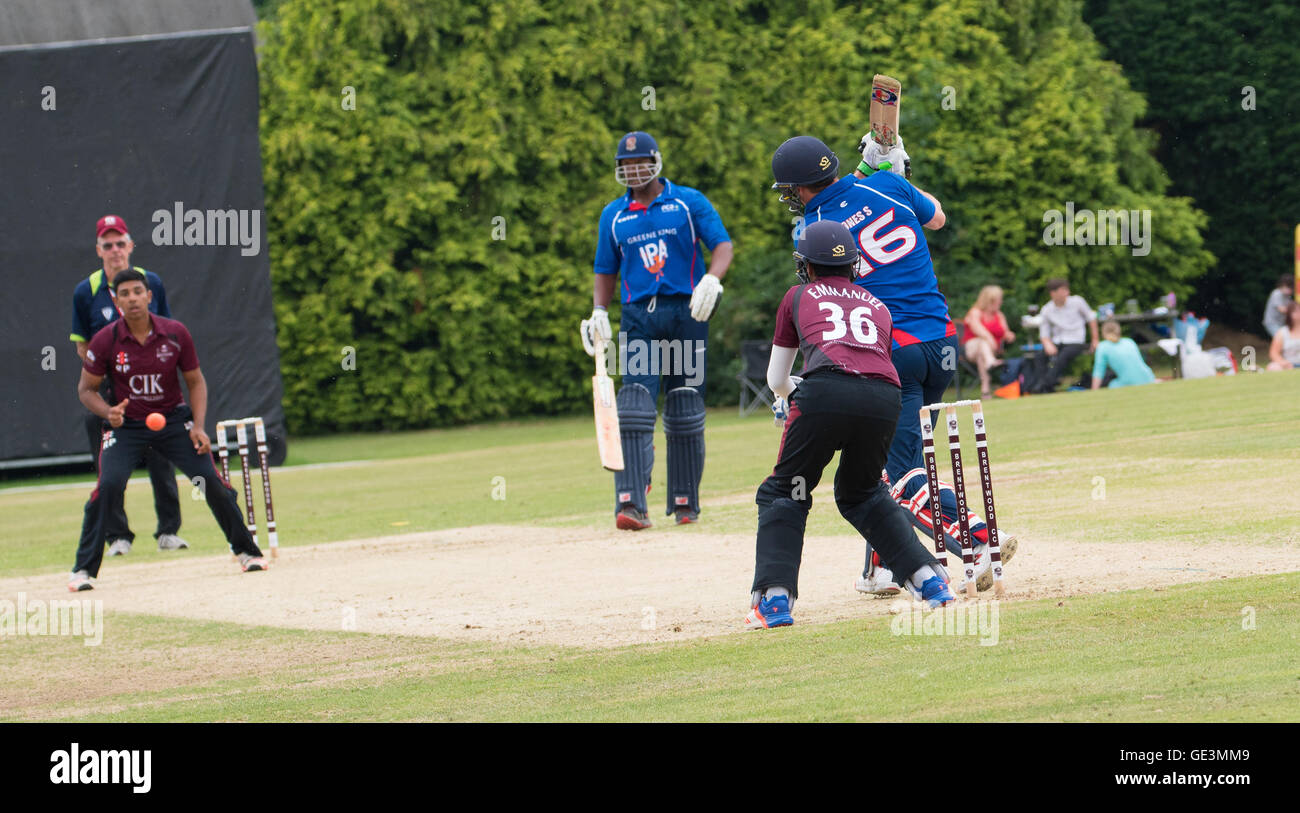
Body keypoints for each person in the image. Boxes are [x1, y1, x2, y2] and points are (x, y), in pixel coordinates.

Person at [769, 134, 1015, 598]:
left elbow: (822, 269)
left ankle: (980, 540)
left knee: (897, 475)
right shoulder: (888, 186)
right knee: (889, 460)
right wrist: (890, 172)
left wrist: (873, 168)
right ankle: (882, 569)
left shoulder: (814, 228)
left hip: (887, 353)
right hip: (941, 343)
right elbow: (938, 217)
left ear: (799, 188)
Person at [747, 220, 954, 629]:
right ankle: (928, 580)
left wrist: (790, 393)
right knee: (862, 493)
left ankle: (773, 599)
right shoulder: (877, 304)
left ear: (806, 266)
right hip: (885, 397)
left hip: (824, 392)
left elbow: (776, 380)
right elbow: (871, 363)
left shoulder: (797, 295)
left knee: (784, 492)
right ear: (853, 264)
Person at [68, 269, 268, 591]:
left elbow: (195, 381)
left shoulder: (176, 333)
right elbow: (85, 389)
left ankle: (246, 551)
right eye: (125, 294)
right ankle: (83, 570)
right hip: (127, 425)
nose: (132, 298)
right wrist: (109, 412)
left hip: (174, 422)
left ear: (149, 297)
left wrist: (199, 427)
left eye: (137, 292)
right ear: (117, 302)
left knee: (212, 483)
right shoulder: (106, 339)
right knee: (108, 487)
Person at [580, 131, 733, 530]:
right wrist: (598, 310)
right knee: (634, 405)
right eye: (626, 165)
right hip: (638, 319)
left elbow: (723, 246)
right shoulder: (613, 215)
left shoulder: (687, 202)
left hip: (686, 315)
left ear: (656, 162)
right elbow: (605, 269)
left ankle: (685, 502)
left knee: (683, 407)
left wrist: (712, 280)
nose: (634, 170)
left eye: (640, 162)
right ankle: (631, 502)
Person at [70, 215, 187, 556]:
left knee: (162, 452)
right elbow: (81, 344)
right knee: (109, 464)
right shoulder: (86, 291)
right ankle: (117, 536)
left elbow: (164, 329)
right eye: (108, 245)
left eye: (120, 242)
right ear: (98, 250)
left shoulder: (150, 282)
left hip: (152, 386)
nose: (115, 250)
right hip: (109, 389)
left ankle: (168, 531)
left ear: (131, 246)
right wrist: (108, 372)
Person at [1033, 278, 1098, 393]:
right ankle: (1047, 387)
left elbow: (1091, 318)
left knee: (1063, 356)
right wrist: (1047, 344)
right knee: (1039, 356)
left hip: (1076, 341)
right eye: (1063, 290)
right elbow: (1044, 333)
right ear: (1053, 293)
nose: (1067, 293)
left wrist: (1095, 340)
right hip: (1058, 342)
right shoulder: (1047, 309)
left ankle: (1043, 385)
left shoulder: (1077, 302)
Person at [962, 285, 1015, 398]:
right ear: (990, 300)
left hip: (990, 351)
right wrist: (989, 338)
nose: (1001, 301)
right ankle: (991, 362)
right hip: (971, 348)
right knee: (982, 342)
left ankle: (985, 391)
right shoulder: (975, 312)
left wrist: (1009, 335)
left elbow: (1005, 332)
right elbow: (977, 328)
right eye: (999, 299)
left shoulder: (999, 315)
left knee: (982, 356)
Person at [1090, 321, 1156, 388]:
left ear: (1103, 333)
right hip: (1149, 378)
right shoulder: (1129, 341)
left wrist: (1094, 390)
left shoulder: (1102, 347)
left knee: (1111, 385)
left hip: (1129, 382)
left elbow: (1098, 371)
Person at [1266, 302, 1300, 370]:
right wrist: (1283, 362)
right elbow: (1273, 353)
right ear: (1289, 315)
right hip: (1289, 365)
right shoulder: (1282, 332)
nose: (1298, 313)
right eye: (1295, 311)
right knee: (1272, 367)